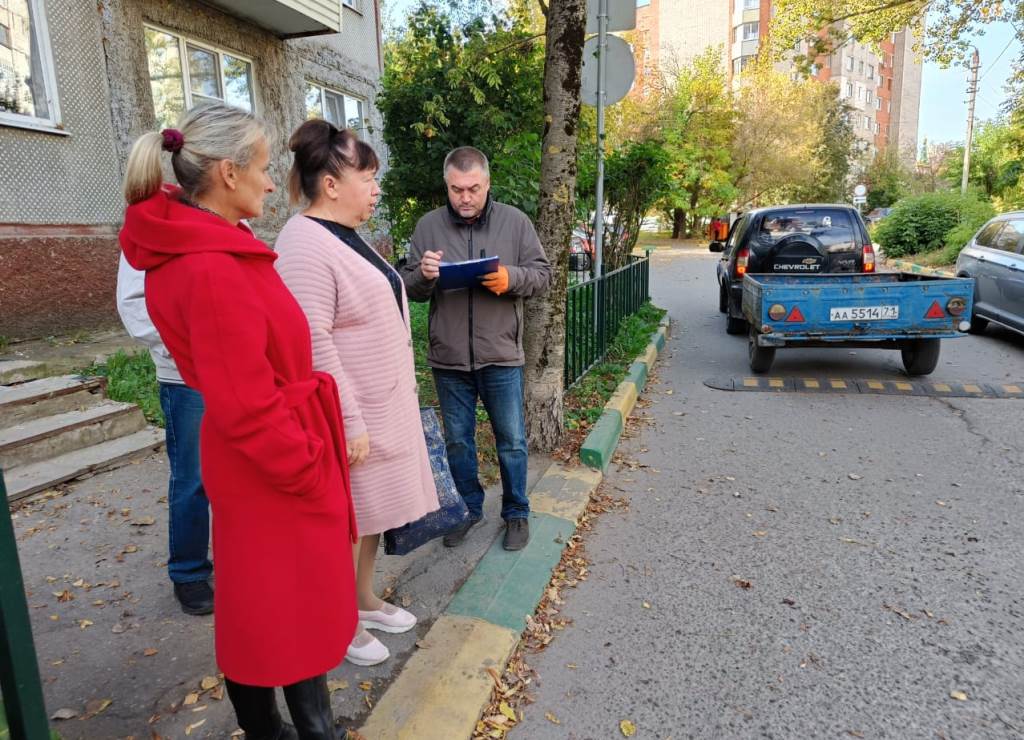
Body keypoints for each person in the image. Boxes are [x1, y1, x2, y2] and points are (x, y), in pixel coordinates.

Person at [119, 103, 357, 739]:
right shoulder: (209, 267)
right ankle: (293, 732)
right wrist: (308, 469)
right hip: (269, 464)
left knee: (274, 605)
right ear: (227, 173)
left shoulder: (211, 247)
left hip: (262, 454)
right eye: (262, 166)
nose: (273, 181)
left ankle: (295, 730)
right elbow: (247, 406)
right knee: (272, 606)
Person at [275, 121, 438, 667]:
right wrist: (348, 421)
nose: (376, 188)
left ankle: (362, 598)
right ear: (330, 183)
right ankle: (335, 619)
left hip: (383, 403)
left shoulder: (346, 232)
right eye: (366, 177)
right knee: (345, 520)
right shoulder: (302, 243)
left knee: (372, 512)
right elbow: (313, 340)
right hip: (352, 412)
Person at [400, 146, 551, 552]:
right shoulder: (428, 226)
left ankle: (516, 512)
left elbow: (542, 275)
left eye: (473, 189)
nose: (464, 198)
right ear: (446, 186)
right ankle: (468, 509)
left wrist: (510, 278)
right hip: (448, 358)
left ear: (487, 184)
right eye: (456, 189)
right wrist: (425, 276)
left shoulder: (515, 222)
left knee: (512, 440)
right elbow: (408, 285)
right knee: (458, 442)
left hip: (500, 355)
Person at [116, 258, 213, 616]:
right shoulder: (152, 224)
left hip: (235, 369)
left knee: (240, 475)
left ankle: (239, 563)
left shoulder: (233, 219)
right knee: (193, 477)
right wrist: (187, 343)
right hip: (185, 376)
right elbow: (133, 304)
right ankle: (188, 573)